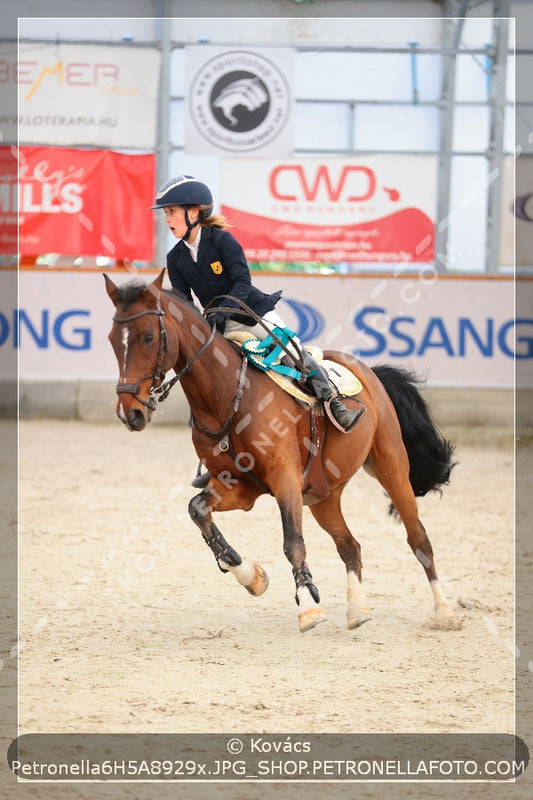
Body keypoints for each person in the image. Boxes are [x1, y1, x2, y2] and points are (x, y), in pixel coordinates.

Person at [150, 175, 366, 485]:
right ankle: (211, 456)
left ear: (194, 212)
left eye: (171, 211)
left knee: (292, 351)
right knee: (205, 378)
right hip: (215, 325)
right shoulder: (175, 257)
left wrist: (225, 310)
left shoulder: (221, 240)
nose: (167, 219)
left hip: (252, 314)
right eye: (165, 213)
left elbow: (242, 282)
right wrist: (198, 325)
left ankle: (333, 401)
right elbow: (185, 302)